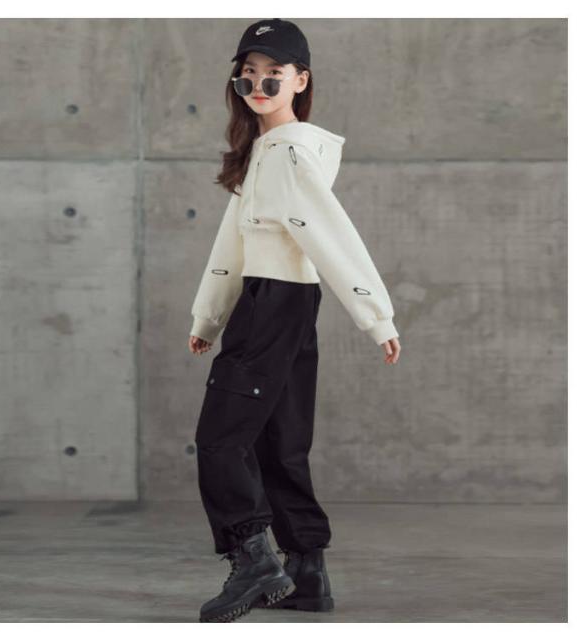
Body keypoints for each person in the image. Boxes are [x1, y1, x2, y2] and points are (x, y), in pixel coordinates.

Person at [188, 18, 401, 623]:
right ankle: (307, 572)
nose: (258, 86)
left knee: (221, 439)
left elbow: (331, 234)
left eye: (273, 75)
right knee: (280, 443)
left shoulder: (287, 151)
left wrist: (376, 316)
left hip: (271, 306)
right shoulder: (266, 150)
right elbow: (232, 243)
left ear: (300, 80)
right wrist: (209, 315)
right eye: (248, 75)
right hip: (287, 304)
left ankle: (254, 561)